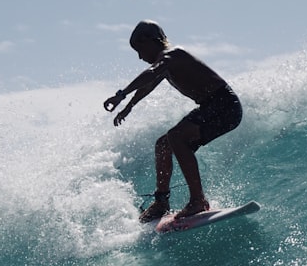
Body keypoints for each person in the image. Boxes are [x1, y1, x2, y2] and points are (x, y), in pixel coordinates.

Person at [104, 20, 243, 222]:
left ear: (151, 41)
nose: (140, 57)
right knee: (163, 145)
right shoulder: (166, 64)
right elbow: (150, 83)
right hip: (211, 107)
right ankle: (161, 202)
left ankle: (198, 200)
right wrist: (130, 105)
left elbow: (151, 73)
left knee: (176, 137)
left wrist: (121, 94)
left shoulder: (173, 55)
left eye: (139, 49)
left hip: (224, 105)